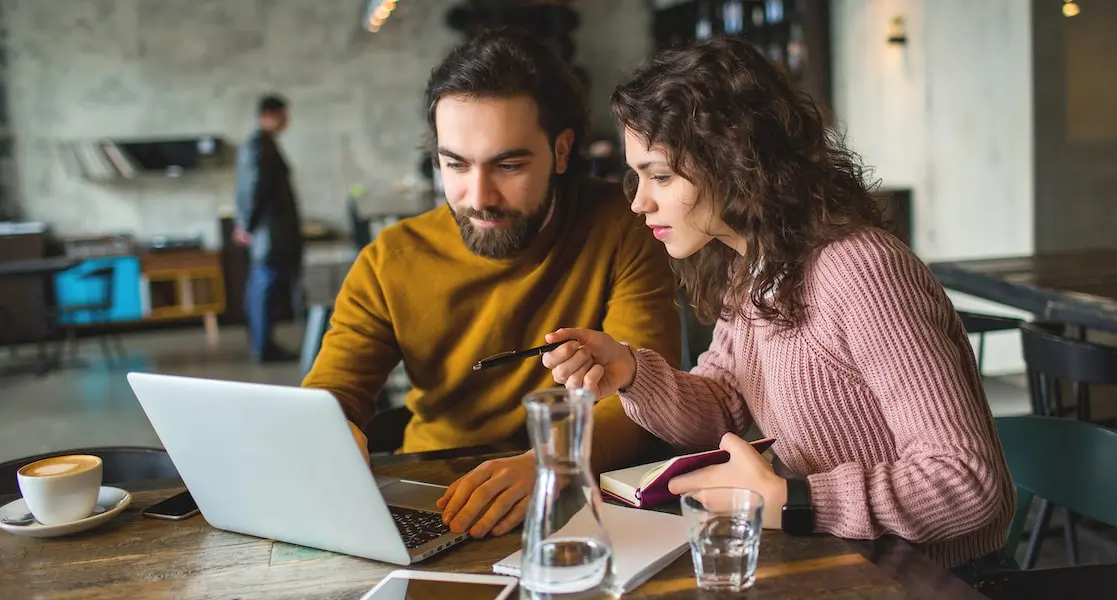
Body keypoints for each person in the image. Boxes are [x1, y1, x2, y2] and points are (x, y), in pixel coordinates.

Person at [539, 37, 1016, 582]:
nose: (638, 200)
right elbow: (721, 408)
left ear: (734, 161)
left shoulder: (860, 269)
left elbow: (967, 483)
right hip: (840, 565)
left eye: (661, 175)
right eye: (637, 175)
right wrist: (628, 369)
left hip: (937, 580)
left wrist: (793, 499)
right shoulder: (753, 266)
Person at [300, 29, 681, 541]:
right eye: (455, 164)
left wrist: (549, 463)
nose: (479, 196)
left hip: (580, 492)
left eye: (509, 165)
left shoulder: (625, 227)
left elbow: (648, 401)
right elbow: (333, 392)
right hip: (437, 494)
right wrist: (328, 435)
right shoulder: (390, 259)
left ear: (562, 150)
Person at [234, 94, 304, 363]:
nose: (287, 122)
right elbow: (254, 190)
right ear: (270, 115)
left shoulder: (259, 145)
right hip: (269, 235)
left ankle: (263, 344)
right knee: (264, 289)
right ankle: (263, 347)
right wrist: (248, 226)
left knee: (262, 288)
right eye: (284, 116)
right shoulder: (259, 146)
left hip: (266, 233)